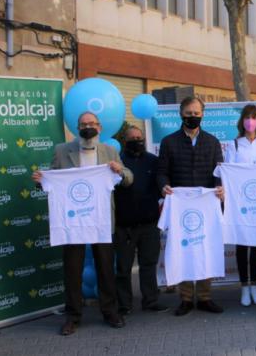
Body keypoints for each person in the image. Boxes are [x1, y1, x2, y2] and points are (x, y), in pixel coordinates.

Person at [32, 111, 132, 335]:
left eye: (92, 124)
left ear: (100, 127)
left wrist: (120, 171)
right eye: (83, 124)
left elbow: (128, 178)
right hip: (72, 221)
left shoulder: (110, 151)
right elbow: (52, 182)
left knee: (106, 268)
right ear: (77, 128)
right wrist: (41, 181)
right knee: (72, 270)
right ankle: (73, 316)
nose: (88, 127)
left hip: (102, 219)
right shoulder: (61, 151)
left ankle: (110, 312)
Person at [157, 96, 225, 316]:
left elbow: (219, 172)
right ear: (181, 114)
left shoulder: (213, 142)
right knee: (183, 249)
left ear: (202, 115)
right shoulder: (169, 142)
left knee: (205, 247)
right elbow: (161, 171)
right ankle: (185, 298)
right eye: (188, 114)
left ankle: (205, 297)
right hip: (181, 207)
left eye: (196, 113)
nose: (192, 117)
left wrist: (220, 188)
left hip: (206, 206)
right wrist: (164, 186)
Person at [224, 104, 256, 306]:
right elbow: (228, 173)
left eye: (254, 117)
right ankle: (243, 288)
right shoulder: (234, 145)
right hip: (240, 204)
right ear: (242, 121)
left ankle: (255, 286)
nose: (250, 121)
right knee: (242, 245)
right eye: (247, 117)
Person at [113, 126, 167, 315]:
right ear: (124, 141)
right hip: (124, 225)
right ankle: (124, 304)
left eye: (139, 137)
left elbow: (161, 183)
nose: (137, 140)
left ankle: (150, 300)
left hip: (149, 223)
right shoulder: (117, 163)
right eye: (132, 138)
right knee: (123, 267)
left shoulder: (153, 161)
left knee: (149, 264)